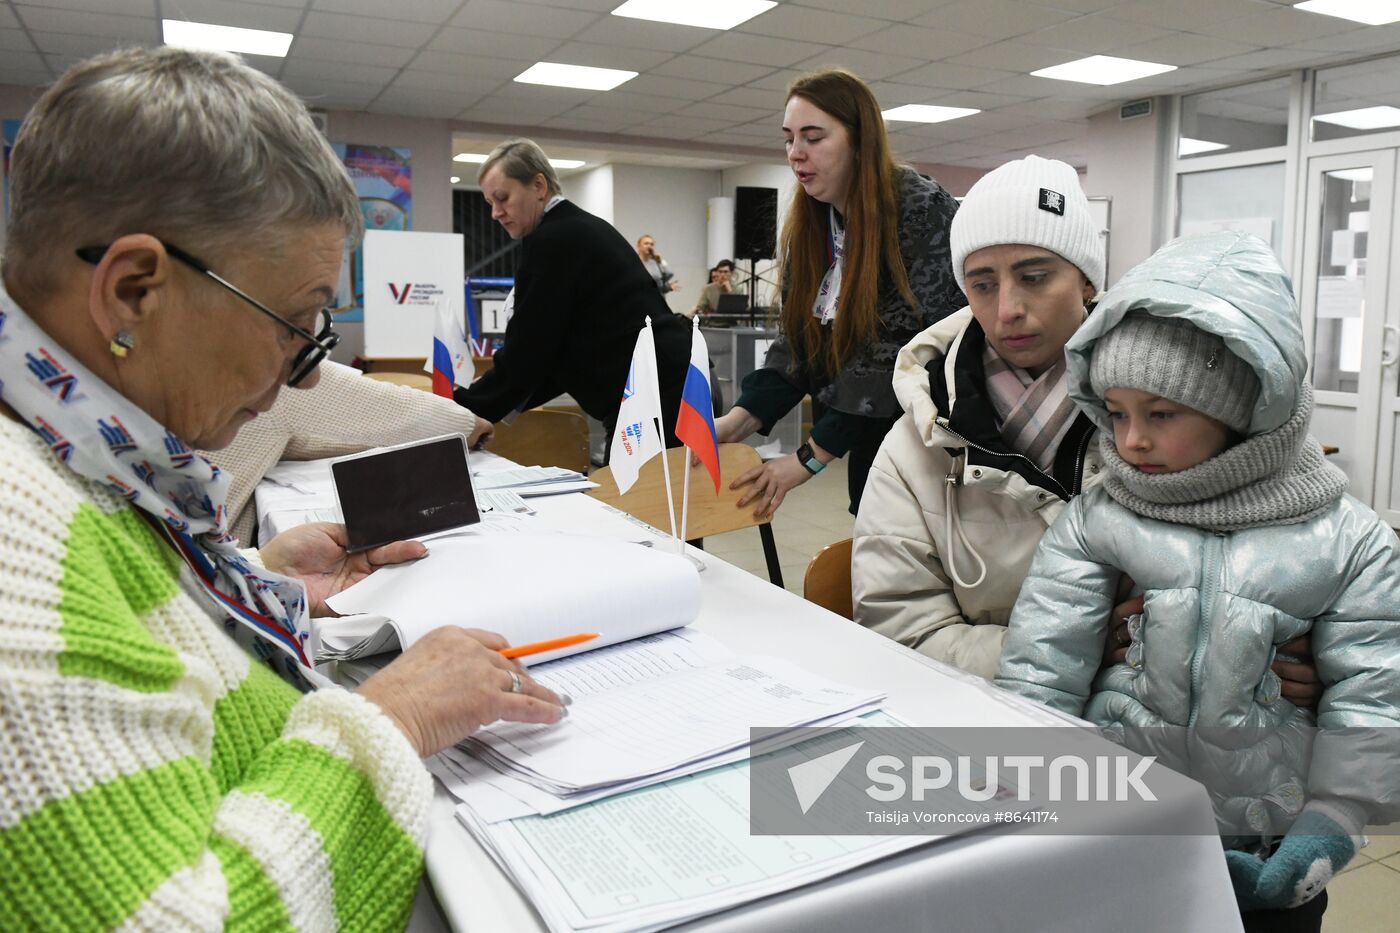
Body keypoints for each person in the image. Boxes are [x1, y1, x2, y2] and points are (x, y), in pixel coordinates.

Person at [0, 47, 565, 929]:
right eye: (293, 325)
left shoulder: (69, 453)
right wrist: (395, 717)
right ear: (135, 291)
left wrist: (259, 582)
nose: (299, 379)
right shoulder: (17, 542)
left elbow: (125, 626)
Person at [995, 231, 1400, 930]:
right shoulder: (1100, 518)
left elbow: (1373, 693)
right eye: (1116, 412)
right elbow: (1042, 664)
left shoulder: (1349, 540)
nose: (1130, 441)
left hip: (1271, 838)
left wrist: (1334, 819)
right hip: (1121, 823)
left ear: (1242, 407)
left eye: (1161, 413)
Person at [852, 156, 1323, 709]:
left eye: (1034, 277)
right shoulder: (917, 443)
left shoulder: (1186, 404)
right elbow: (901, 633)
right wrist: (1074, 652)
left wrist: (1307, 658)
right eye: (982, 284)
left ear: (1087, 279)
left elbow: (1300, 563)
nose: (1008, 309)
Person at [712, 69, 964, 517]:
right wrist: (739, 418)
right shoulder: (818, 222)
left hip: (933, 440)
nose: (796, 153)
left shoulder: (919, 208)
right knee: (873, 531)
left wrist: (809, 457)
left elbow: (896, 352)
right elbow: (799, 340)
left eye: (813, 138)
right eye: (789, 139)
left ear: (860, 141)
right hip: (872, 439)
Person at [457, 140, 690, 443]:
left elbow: (529, 349)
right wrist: (482, 399)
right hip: (668, 386)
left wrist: (458, 413)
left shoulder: (553, 241)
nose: (495, 213)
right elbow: (552, 355)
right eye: (490, 202)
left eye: (502, 198)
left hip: (655, 396)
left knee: (628, 477)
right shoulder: (576, 227)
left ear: (539, 186)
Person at [204, 360, 492, 545]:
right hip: (209, 578)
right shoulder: (269, 364)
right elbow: (389, 409)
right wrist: (467, 425)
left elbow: (300, 437)